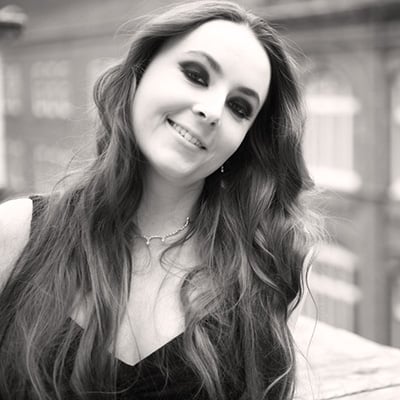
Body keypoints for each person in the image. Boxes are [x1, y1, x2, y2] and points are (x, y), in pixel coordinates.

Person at [0, 1, 321, 399]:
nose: (212, 111)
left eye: (239, 107)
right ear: (140, 73)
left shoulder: (270, 271)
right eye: (195, 75)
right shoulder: (16, 234)